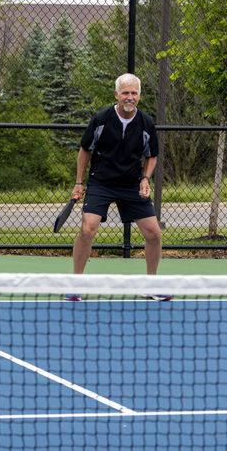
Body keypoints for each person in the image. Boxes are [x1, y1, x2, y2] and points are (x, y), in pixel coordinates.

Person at [70, 73, 167, 299]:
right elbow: (85, 150)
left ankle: (150, 286)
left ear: (139, 96)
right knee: (87, 229)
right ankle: (74, 285)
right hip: (101, 181)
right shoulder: (101, 119)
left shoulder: (146, 123)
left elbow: (151, 155)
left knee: (153, 233)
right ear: (117, 95)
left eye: (134, 93)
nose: (130, 97)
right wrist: (78, 182)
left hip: (131, 184)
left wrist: (145, 178)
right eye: (125, 93)